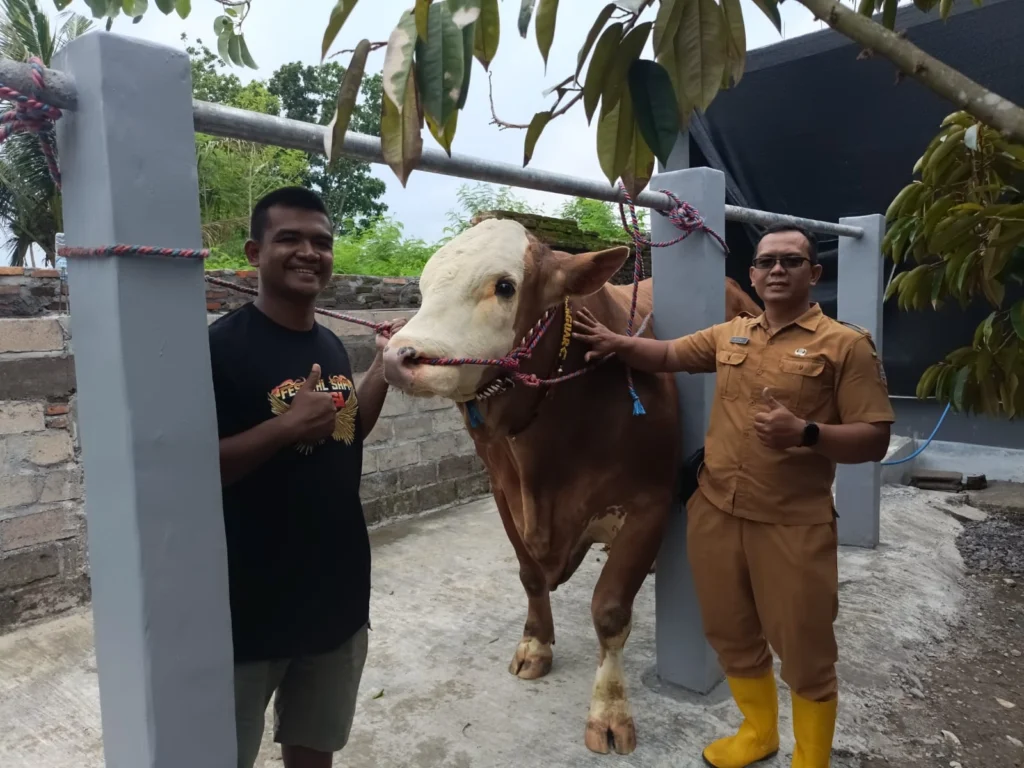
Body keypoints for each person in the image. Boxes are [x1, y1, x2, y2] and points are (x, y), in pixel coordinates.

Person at [573, 223, 894, 768]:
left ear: (813, 274)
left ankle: (811, 757)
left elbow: (875, 438)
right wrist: (614, 343)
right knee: (729, 631)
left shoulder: (845, 346)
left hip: (793, 523)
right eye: (766, 261)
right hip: (718, 514)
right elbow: (668, 354)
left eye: (791, 261)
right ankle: (759, 733)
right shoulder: (731, 335)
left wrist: (808, 433)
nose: (776, 270)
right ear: (752, 273)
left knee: (805, 646)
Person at [208, 186, 405, 768]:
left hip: (336, 595)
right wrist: (287, 427)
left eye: (321, 242)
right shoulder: (220, 350)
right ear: (254, 251)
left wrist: (381, 370)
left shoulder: (329, 347)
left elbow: (346, 431)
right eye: (289, 238)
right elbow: (198, 471)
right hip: (248, 606)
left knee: (315, 751)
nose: (308, 252)